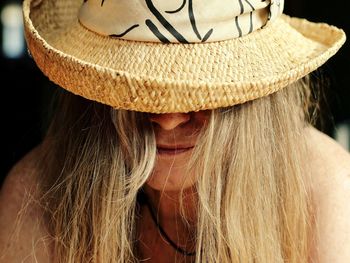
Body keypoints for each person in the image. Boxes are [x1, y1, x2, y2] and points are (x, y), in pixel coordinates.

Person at [1, 0, 349, 262]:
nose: (168, 118)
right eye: (135, 86)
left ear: (254, 97)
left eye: (202, 90)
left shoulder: (327, 191)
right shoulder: (35, 198)